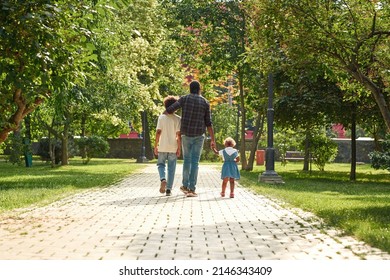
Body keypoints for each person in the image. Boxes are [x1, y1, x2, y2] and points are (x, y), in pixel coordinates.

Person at [165, 80, 216, 197]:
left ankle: (185, 186)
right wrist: (213, 139)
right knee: (195, 162)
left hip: (186, 135)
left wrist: (164, 114)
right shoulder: (205, 102)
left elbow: (171, 109)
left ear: (190, 89)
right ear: (199, 89)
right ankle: (192, 189)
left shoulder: (184, 98)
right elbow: (208, 123)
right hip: (199, 135)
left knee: (187, 160)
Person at [154, 96, 181, 196]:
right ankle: (169, 189)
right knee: (171, 168)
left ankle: (162, 179)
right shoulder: (178, 119)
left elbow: (158, 132)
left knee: (160, 165)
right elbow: (178, 135)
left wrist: (155, 145)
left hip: (163, 146)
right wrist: (179, 147)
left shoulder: (161, 118)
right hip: (173, 147)